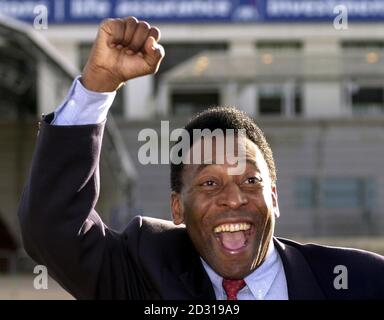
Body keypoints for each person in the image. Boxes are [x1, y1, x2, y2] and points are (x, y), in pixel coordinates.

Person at [18, 17, 384, 300]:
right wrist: (98, 84)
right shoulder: (146, 275)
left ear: (274, 197)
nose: (234, 198)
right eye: (210, 183)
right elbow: (52, 229)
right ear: (177, 208)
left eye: (250, 181)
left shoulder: (361, 281)